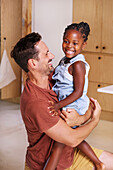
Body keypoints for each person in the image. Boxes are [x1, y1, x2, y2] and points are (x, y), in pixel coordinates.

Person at [10, 32, 113, 170]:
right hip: (48, 164)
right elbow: (73, 138)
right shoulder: (36, 102)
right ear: (33, 63)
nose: (52, 56)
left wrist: (80, 118)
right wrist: (94, 120)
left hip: (70, 153)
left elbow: (85, 101)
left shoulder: (55, 77)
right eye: (46, 54)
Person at [47, 22, 104, 169]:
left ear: (83, 45)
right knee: (73, 138)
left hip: (73, 106)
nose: (69, 46)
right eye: (66, 41)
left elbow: (78, 92)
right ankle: (99, 163)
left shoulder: (78, 65)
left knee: (59, 143)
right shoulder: (65, 60)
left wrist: (58, 105)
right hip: (66, 103)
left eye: (75, 43)